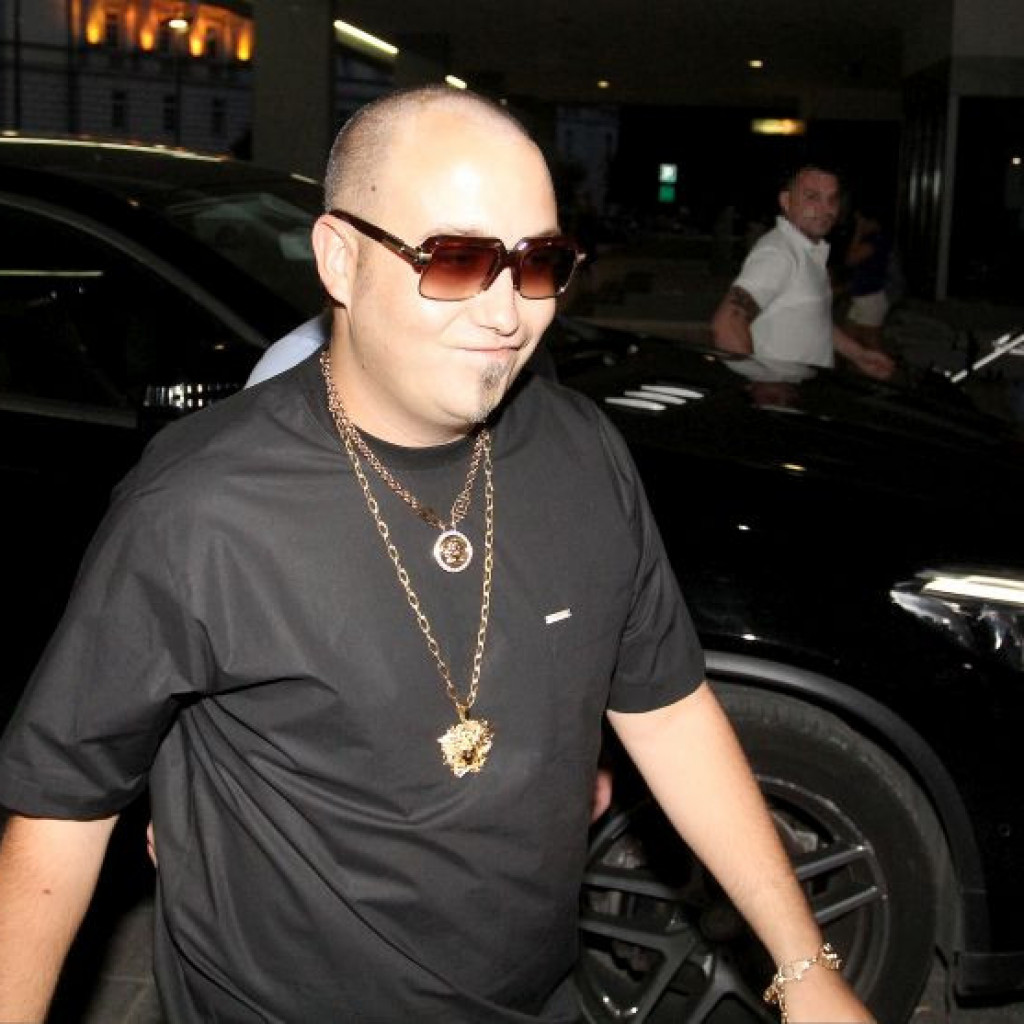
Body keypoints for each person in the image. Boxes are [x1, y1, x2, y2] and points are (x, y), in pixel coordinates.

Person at [0, 87, 872, 1023]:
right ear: (339, 259)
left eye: (539, 263)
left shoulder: (582, 452)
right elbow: (61, 812)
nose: (507, 313)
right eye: (457, 261)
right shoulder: (199, 506)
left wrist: (803, 965)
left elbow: (668, 711)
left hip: (538, 999)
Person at [711, 163, 894, 380]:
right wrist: (763, 382)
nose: (825, 209)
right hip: (783, 395)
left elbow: (814, 321)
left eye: (832, 199)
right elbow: (727, 325)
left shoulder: (808, 252)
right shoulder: (778, 253)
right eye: (812, 197)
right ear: (786, 201)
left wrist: (858, 355)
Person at [840, 205, 894, 350]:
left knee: (873, 345)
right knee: (849, 342)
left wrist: (858, 232)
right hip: (863, 297)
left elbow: (851, 259)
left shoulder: (875, 240)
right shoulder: (874, 239)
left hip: (870, 298)